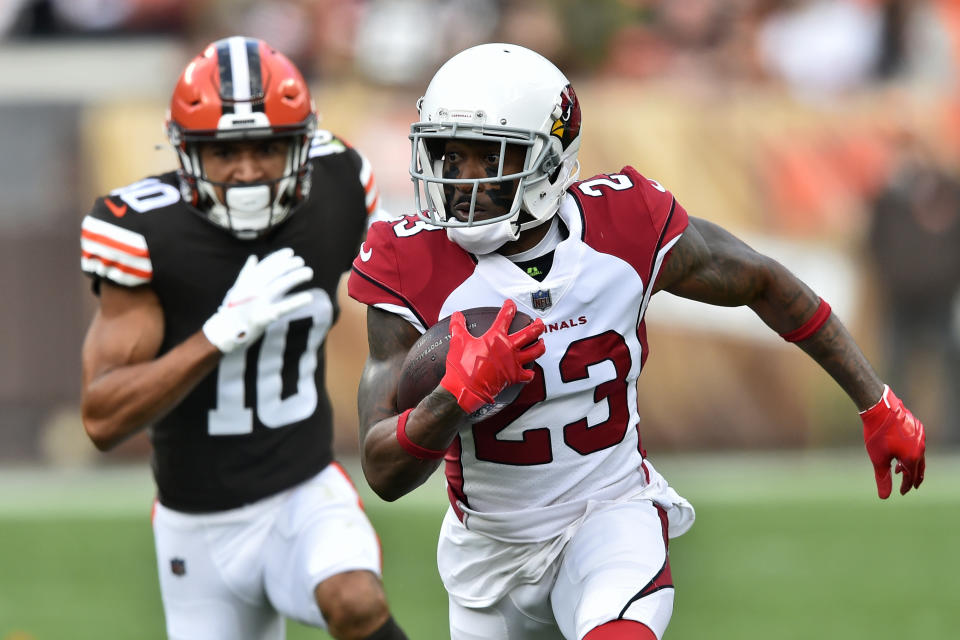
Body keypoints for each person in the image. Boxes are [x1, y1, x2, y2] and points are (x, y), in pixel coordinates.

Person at [347, 43, 927, 640]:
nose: (459, 179)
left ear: (549, 163)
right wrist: (454, 398)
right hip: (490, 556)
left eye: (488, 158)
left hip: (608, 516)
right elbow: (382, 471)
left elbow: (763, 280)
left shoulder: (623, 226)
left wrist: (875, 400)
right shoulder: (405, 257)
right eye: (448, 154)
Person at [79, 37, 408, 640]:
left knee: (355, 599)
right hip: (196, 523)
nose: (249, 170)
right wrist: (216, 335)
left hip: (304, 489)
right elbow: (101, 418)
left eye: (268, 147)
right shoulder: (143, 231)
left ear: (302, 146)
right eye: (225, 151)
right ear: (186, 153)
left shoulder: (340, 186)